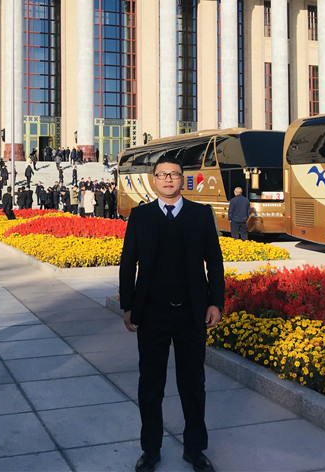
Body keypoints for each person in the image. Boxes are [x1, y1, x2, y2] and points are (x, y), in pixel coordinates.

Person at [118, 155, 224, 472]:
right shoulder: (141, 216)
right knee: (151, 386)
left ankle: (195, 449)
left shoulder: (201, 215)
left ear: (182, 179)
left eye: (174, 174)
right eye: (162, 174)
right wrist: (128, 306)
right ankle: (151, 450)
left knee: (193, 384)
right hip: (152, 314)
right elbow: (128, 262)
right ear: (154, 180)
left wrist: (216, 303)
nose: (168, 179)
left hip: (193, 314)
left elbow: (215, 262)